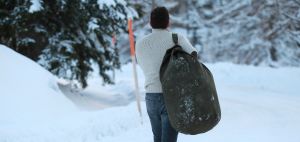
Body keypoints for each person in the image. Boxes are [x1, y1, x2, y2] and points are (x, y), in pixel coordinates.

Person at [135, 7, 198, 142]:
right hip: (171, 97)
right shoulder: (176, 38)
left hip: (151, 97)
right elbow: (194, 55)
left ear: (151, 22)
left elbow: (141, 63)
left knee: (157, 139)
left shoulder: (140, 44)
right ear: (168, 22)